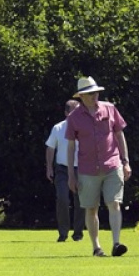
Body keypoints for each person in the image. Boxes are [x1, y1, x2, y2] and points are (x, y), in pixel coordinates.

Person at [66, 76, 130, 257]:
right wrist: (71, 175)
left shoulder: (110, 109)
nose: (95, 96)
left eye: (96, 92)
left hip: (112, 164)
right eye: (90, 93)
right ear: (81, 97)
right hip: (87, 169)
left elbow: (120, 135)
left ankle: (116, 243)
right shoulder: (74, 118)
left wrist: (125, 161)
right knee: (91, 208)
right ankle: (96, 247)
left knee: (114, 203)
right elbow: (70, 147)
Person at [45, 100, 85, 242]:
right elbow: (50, 148)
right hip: (62, 169)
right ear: (66, 113)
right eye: (74, 111)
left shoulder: (84, 127)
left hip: (80, 168)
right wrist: (49, 167)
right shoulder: (58, 128)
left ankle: (78, 233)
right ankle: (63, 233)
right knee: (62, 198)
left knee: (80, 201)